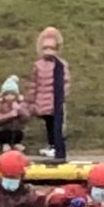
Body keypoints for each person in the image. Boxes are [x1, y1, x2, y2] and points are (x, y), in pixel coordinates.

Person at [27, 26, 70, 160]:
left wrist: (63, 96)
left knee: (55, 123)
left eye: (51, 49)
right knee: (48, 124)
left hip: (54, 100)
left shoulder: (60, 65)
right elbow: (34, 82)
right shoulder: (38, 65)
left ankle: (55, 145)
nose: (48, 52)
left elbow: (66, 81)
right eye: (46, 48)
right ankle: (51, 144)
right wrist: (31, 99)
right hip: (42, 100)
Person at [0, 75, 29, 152]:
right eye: (7, 95)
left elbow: (26, 117)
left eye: (12, 95)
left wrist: (19, 110)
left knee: (19, 133)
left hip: (17, 128)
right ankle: (5, 144)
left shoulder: (20, 104)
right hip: (5, 128)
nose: (9, 97)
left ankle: (17, 143)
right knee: (3, 134)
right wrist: (9, 115)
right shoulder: (0, 105)